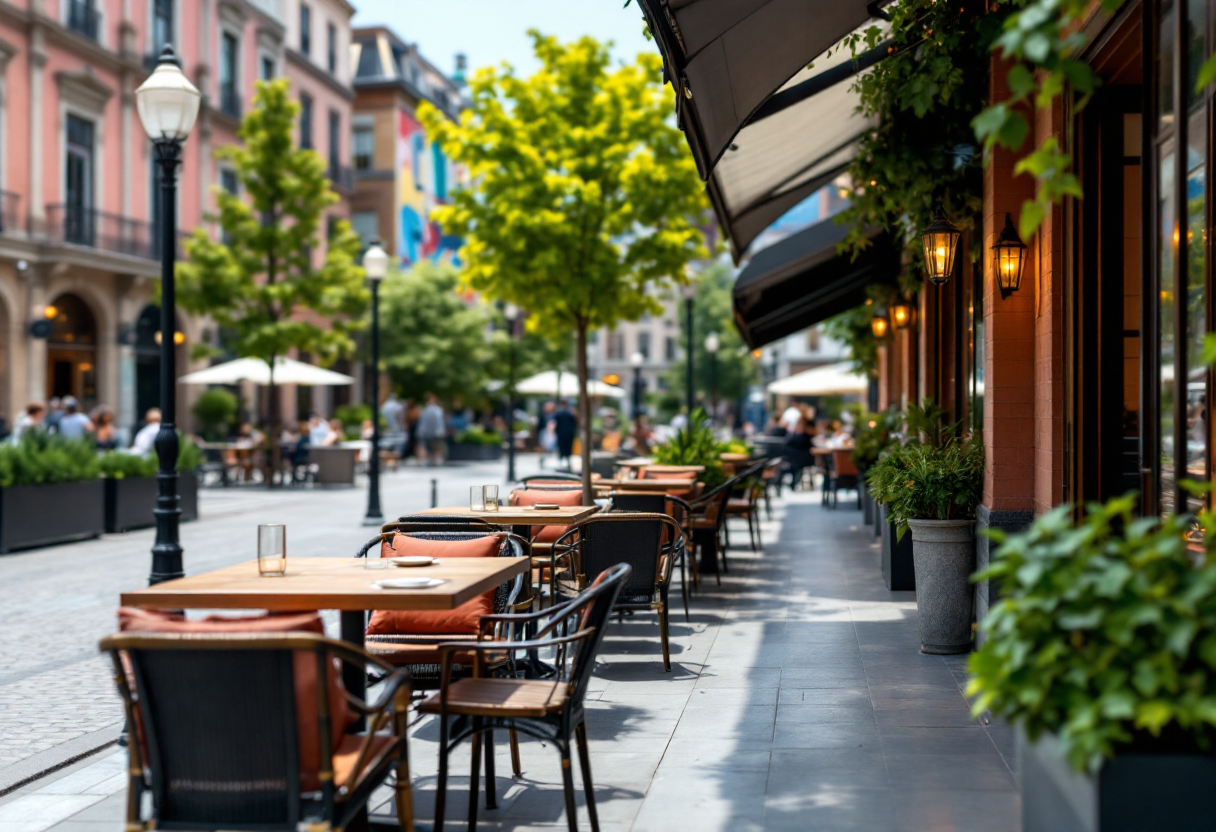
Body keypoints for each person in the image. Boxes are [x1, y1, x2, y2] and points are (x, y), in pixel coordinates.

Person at [783, 419, 815, 491]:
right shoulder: (793, 436)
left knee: (797, 466)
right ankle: (793, 482)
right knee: (795, 466)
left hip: (802, 459)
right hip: (795, 459)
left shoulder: (805, 436)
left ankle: (794, 482)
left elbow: (811, 447)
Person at [415, 394, 447, 466]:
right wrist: (441, 431)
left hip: (425, 432)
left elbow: (421, 422)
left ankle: (423, 461)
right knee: (435, 447)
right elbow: (440, 422)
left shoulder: (424, 410)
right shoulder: (438, 410)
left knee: (425, 446)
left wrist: (419, 432)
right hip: (435, 432)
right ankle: (434, 460)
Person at [553, 398, 577, 468]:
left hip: (562, 433)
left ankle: (562, 460)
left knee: (562, 447)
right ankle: (566, 460)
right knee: (567, 447)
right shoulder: (571, 411)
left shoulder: (559, 412)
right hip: (568, 433)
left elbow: (556, 423)